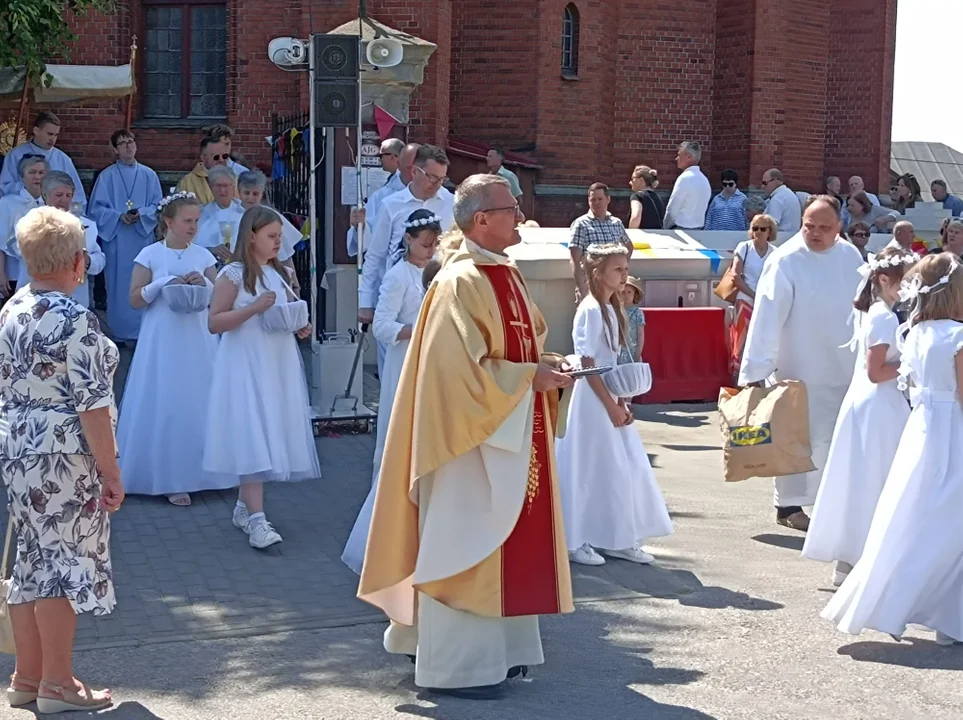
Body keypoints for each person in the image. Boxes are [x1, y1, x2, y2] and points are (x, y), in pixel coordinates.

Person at [358, 174, 576, 699]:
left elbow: (517, 348)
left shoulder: (505, 273)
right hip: (466, 443)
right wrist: (529, 379)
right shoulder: (458, 283)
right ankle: (457, 668)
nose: (520, 211)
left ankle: (506, 654)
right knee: (467, 542)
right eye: (510, 206)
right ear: (482, 219)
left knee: (509, 539)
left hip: (508, 430)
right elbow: (454, 374)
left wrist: (546, 367)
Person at [0, 207, 122, 713]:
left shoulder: (12, 309)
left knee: (31, 560)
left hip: (17, 448)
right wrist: (111, 472)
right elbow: (92, 405)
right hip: (64, 456)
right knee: (61, 567)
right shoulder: (77, 321)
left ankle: (27, 678)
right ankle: (58, 684)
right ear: (76, 262)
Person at [822, 252, 963, 646]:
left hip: (922, 428)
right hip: (953, 428)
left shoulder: (915, 333)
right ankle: (946, 614)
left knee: (916, 511)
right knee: (950, 520)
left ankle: (945, 612)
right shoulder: (957, 336)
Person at [739, 196, 864, 531]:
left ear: (839, 227)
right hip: (797, 369)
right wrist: (756, 372)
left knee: (833, 439)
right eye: (810, 226)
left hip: (842, 366)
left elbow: (862, 309)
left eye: (824, 227)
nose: (816, 233)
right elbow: (766, 318)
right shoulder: (786, 260)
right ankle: (788, 506)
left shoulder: (851, 256)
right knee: (796, 438)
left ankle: (829, 503)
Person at [203, 206, 319, 549]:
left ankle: (243, 507)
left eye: (279, 237)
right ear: (251, 236)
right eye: (271, 236)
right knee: (252, 431)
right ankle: (257, 519)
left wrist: (298, 325)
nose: (276, 243)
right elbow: (214, 322)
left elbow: (285, 309)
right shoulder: (234, 274)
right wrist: (253, 308)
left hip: (276, 361)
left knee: (269, 428)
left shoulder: (278, 272)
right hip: (245, 362)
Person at [802, 246, 916, 587]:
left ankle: (853, 558)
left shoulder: (876, 311)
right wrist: (913, 365)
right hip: (879, 404)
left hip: (871, 403)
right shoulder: (883, 316)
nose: (909, 288)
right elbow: (876, 371)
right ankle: (863, 556)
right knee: (875, 479)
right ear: (884, 279)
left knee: (863, 479)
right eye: (904, 281)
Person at [556, 243, 672, 567]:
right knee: (588, 468)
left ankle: (616, 537)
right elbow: (588, 363)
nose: (625, 275)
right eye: (618, 269)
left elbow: (614, 361)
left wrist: (622, 398)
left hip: (608, 397)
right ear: (598, 273)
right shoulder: (591, 309)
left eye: (625, 268)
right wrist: (609, 405)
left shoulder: (610, 308)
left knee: (619, 468)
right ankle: (576, 538)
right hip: (592, 401)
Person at [342, 209, 441, 575]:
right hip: (404, 363)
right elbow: (382, 326)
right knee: (395, 444)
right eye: (423, 240)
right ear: (408, 240)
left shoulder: (438, 271)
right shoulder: (398, 275)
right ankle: (382, 534)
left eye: (434, 239)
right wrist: (418, 328)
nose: (429, 246)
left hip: (429, 364)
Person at [117, 192, 220, 507]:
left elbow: (220, 297)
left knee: (199, 398)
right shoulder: (150, 254)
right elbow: (135, 299)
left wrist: (203, 284)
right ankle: (169, 478)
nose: (193, 227)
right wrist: (162, 284)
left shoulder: (203, 256)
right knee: (167, 399)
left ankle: (207, 474)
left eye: (196, 221)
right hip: (162, 337)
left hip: (197, 337)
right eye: (187, 221)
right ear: (169, 222)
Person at [359, 144, 454, 376]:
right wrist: (365, 301)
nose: (437, 184)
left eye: (442, 179)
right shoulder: (391, 205)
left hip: (437, 291)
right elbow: (375, 255)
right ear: (415, 172)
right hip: (397, 294)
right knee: (395, 370)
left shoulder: (451, 203)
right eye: (432, 177)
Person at [88, 129, 164, 343]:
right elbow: (96, 209)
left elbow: (159, 205)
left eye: (131, 142)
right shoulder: (107, 176)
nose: (128, 146)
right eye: (122, 143)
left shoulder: (149, 175)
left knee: (143, 281)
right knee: (119, 284)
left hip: (141, 237)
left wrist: (142, 214)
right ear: (115, 149)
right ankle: (120, 332)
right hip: (118, 239)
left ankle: (142, 331)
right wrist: (117, 216)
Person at [13, 172, 105, 307]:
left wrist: (88, 261)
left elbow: (100, 258)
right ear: (44, 195)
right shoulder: (30, 223)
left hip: (74, 300)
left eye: (68, 195)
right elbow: (20, 251)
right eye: (58, 195)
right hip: (36, 298)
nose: (64, 200)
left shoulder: (86, 226)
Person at [0, 112, 85, 212]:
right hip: (22, 212)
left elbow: (78, 195)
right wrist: (28, 187)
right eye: (49, 134)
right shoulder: (15, 155)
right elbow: (4, 187)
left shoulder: (63, 159)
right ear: (36, 130)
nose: (52, 139)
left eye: (56, 135)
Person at [728, 214, 777, 377]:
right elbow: (735, 276)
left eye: (762, 229)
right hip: (745, 299)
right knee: (742, 341)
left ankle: (758, 378)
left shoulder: (775, 252)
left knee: (762, 341)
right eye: (755, 228)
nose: (758, 232)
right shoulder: (744, 247)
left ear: (770, 232)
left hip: (765, 302)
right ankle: (739, 379)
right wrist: (754, 295)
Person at [236, 170, 300, 292]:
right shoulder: (229, 216)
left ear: (262, 194)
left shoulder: (271, 216)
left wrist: (295, 286)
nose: (250, 198)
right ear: (239, 192)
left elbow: (284, 254)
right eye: (246, 193)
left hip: (269, 276)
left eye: (255, 194)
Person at [347, 140, 412, 258]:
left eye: (381, 155)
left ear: (393, 157)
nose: (380, 159)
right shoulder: (384, 192)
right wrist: (360, 225)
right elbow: (370, 228)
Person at [569, 182, 633, 301]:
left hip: (614, 286)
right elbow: (575, 259)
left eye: (600, 199)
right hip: (592, 284)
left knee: (614, 318)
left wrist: (621, 268)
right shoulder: (581, 224)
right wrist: (581, 287)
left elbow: (629, 246)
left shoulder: (616, 223)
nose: (596, 202)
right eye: (593, 199)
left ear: (608, 199)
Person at [0, 156, 46, 295]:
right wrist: (1, 274)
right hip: (14, 274)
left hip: (45, 276)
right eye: (32, 172)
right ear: (22, 175)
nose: (37, 177)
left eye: (41, 173)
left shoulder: (50, 203)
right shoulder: (8, 203)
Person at [195, 165, 242, 264]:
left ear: (233, 186)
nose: (222, 191)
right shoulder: (202, 214)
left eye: (225, 186)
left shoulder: (242, 211)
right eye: (218, 186)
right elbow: (192, 246)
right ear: (211, 187)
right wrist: (211, 250)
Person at [663, 141, 711, 230]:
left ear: (688, 157)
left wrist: (665, 228)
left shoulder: (685, 178)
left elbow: (672, 209)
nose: (676, 159)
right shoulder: (704, 180)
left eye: (679, 155)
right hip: (699, 230)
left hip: (681, 230)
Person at [176, 136, 232, 205]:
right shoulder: (187, 182)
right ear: (203, 157)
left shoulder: (234, 179)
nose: (221, 160)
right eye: (216, 157)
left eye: (225, 156)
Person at [761, 168, 801, 234]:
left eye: (765, 183)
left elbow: (771, 225)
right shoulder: (789, 194)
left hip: (779, 239)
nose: (763, 186)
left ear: (775, 180)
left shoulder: (777, 198)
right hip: (792, 236)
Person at [627, 165, 665, 230]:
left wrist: (631, 235)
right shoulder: (657, 197)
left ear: (641, 180)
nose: (630, 182)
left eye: (633, 178)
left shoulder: (637, 196)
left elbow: (635, 217)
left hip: (642, 237)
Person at [618, 275, 645, 364]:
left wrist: (638, 353)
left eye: (629, 292)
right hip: (619, 352)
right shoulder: (616, 311)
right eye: (623, 292)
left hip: (633, 351)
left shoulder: (638, 313)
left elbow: (640, 335)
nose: (626, 295)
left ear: (635, 294)